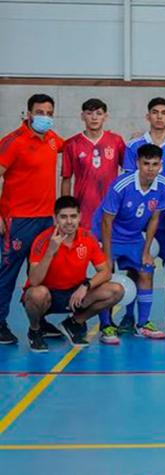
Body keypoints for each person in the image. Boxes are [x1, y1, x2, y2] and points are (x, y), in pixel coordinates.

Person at [0, 94, 64, 345]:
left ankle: (40, 321)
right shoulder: (12, 142)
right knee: (8, 273)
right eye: (40, 112)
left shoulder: (51, 139)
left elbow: (72, 146)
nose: (45, 117)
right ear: (28, 114)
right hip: (18, 221)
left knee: (41, 274)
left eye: (49, 113)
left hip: (45, 221)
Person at [23, 197, 123, 352]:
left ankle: (73, 324)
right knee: (36, 294)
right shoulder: (42, 240)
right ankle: (35, 330)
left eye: (73, 216)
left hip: (75, 295)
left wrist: (85, 286)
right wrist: (51, 251)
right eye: (63, 217)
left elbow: (105, 271)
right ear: (55, 218)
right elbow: (34, 281)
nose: (69, 222)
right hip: (48, 296)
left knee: (116, 290)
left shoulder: (87, 238)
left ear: (80, 217)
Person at [124, 97, 165, 332]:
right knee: (138, 269)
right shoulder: (133, 147)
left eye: (164, 112)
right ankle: (128, 317)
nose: (160, 116)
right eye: (155, 112)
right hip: (141, 224)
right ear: (148, 116)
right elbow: (130, 183)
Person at [93, 143, 165, 340]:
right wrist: (107, 256)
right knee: (106, 275)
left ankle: (143, 323)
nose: (150, 169)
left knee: (146, 270)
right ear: (137, 163)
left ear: (160, 165)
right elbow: (106, 222)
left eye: (155, 164)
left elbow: (154, 219)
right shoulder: (122, 185)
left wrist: (146, 250)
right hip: (108, 234)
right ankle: (106, 326)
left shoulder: (162, 185)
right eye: (146, 164)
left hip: (133, 236)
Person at [61, 98, 126, 230]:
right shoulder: (72, 144)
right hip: (84, 208)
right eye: (89, 113)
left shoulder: (116, 140)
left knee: (109, 247)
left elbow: (129, 171)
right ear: (82, 116)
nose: (94, 117)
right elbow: (66, 179)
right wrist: (65, 209)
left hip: (112, 206)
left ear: (105, 117)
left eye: (99, 113)